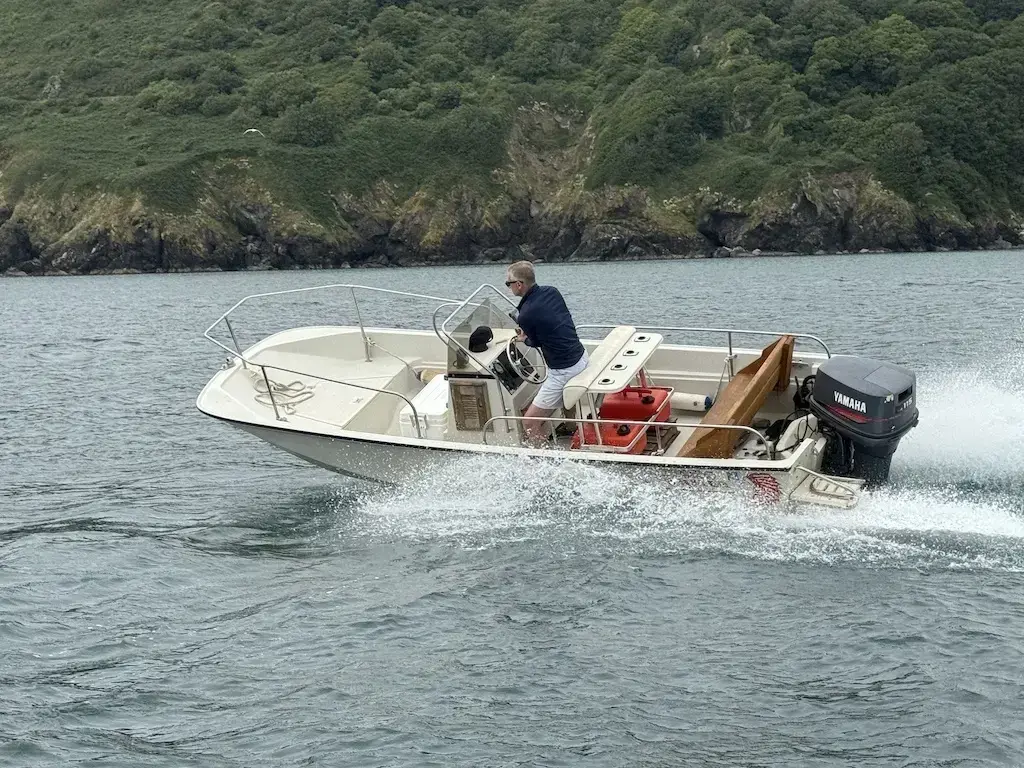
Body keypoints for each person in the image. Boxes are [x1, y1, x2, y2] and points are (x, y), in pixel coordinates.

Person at [504, 260, 588, 443]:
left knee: (529, 421)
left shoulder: (526, 315)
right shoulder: (552, 291)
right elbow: (553, 321)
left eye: (508, 283)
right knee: (563, 390)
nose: (508, 287)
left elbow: (535, 342)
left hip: (564, 370)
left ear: (519, 284)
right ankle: (571, 427)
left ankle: (544, 461)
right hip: (580, 356)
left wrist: (523, 338)